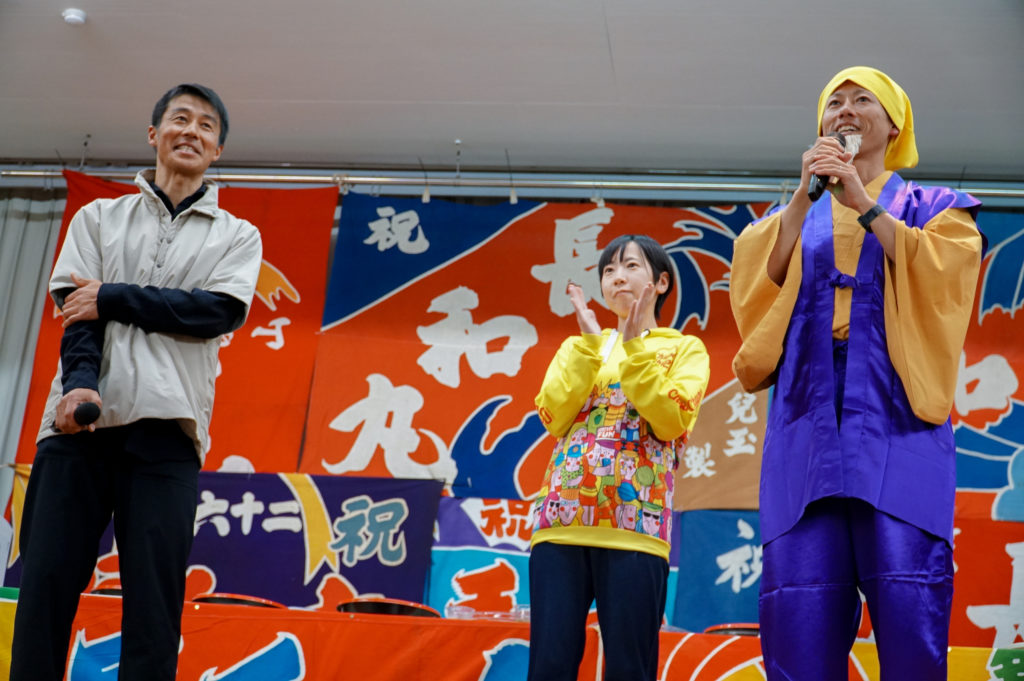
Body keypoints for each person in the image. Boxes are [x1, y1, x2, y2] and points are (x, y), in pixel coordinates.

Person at [729, 66, 984, 680]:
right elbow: (754, 282)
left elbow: (946, 274)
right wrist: (804, 197)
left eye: (862, 99)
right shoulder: (794, 213)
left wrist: (864, 206)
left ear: (894, 125)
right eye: (833, 102)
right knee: (800, 610)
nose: (844, 110)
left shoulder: (935, 207)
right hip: (806, 415)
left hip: (898, 414)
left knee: (909, 605)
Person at [10, 83, 263, 681]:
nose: (191, 131)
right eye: (180, 119)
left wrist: (115, 295)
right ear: (154, 134)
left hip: (168, 436)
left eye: (206, 126)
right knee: (45, 585)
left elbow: (214, 312)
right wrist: (79, 386)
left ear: (218, 150)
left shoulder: (237, 235)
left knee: (154, 604)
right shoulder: (97, 218)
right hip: (77, 430)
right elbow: (78, 314)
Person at [528, 234, 710, 681]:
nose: (617, 277)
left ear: (661, 282)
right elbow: (552, 415)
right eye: (608, 270)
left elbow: (671, 421)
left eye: (630, 266)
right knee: (549, 665)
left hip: (636, 529)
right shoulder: (581, 346)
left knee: (630, 668)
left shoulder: (684, 349)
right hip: (561, 523)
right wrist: (592, 347)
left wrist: (633, 352)